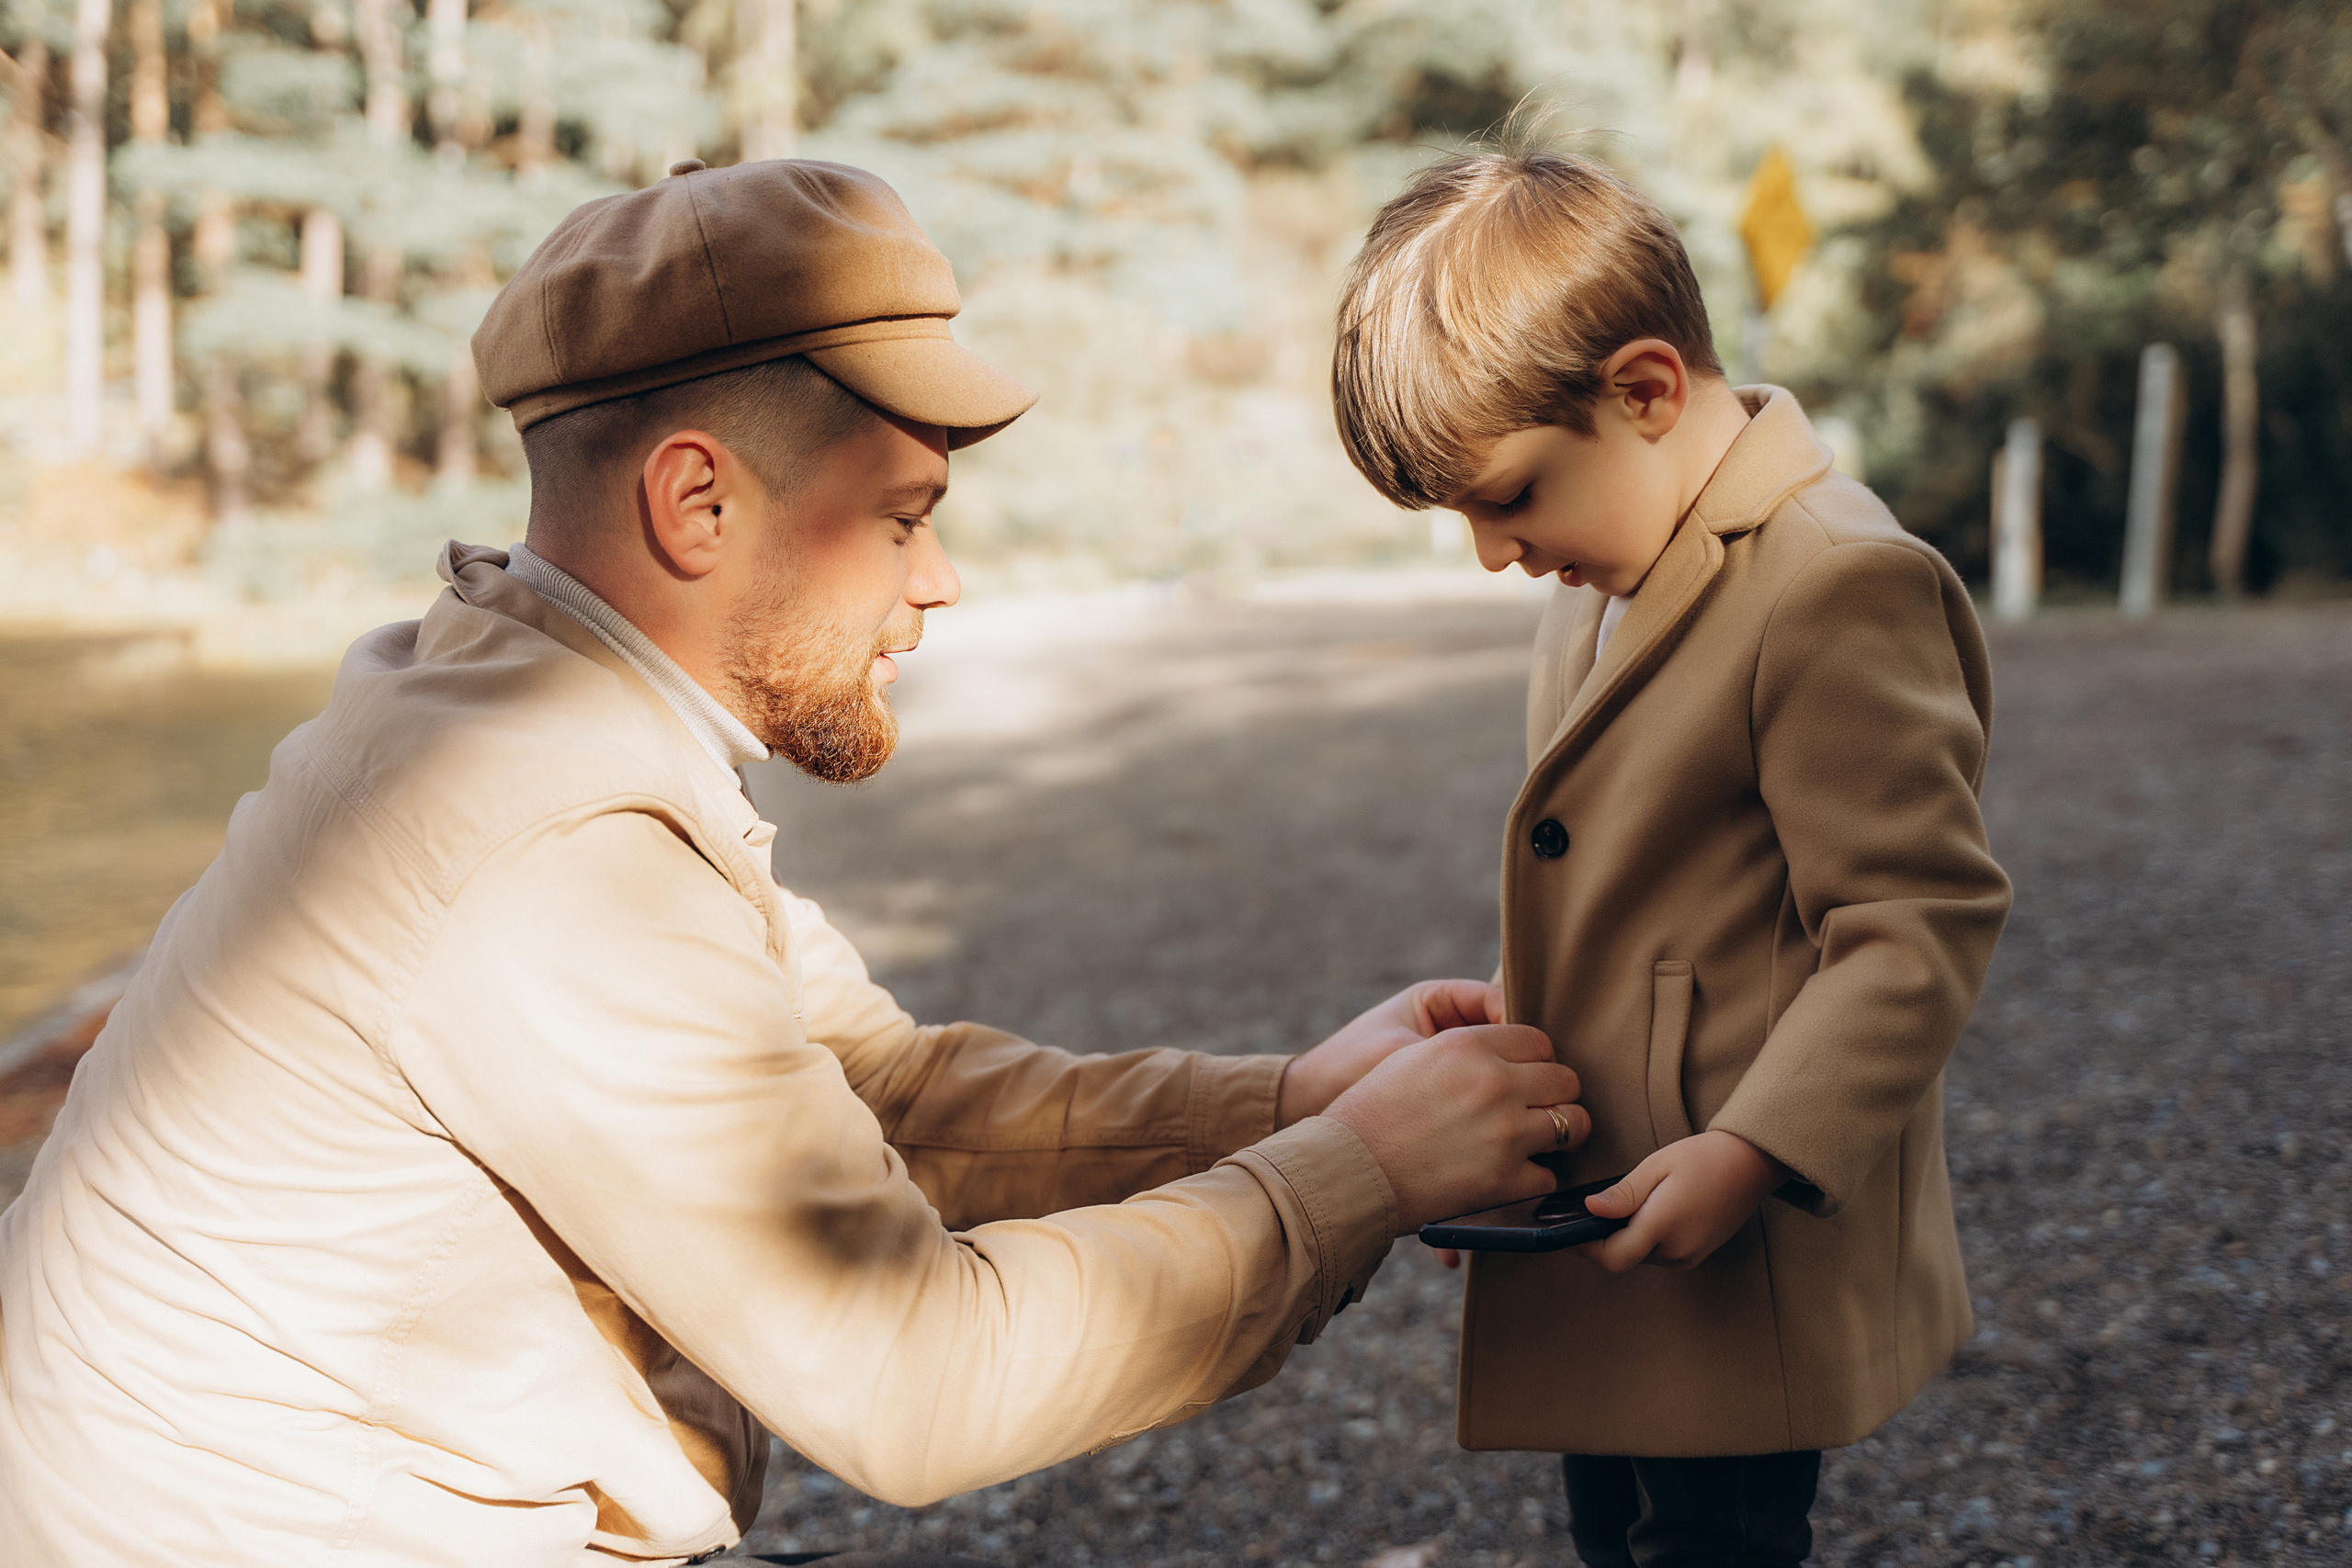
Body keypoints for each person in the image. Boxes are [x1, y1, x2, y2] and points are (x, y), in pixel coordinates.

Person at [0, 159, 1593, 1568]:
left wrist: (1289, 1105)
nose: (945, 581)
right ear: (698, 500)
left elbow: (877, 1094)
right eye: (902, 518)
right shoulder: (553, 851)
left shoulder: (507, 704)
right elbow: (916, 1381)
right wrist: (1369, 1175)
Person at [1329, 145, 2014, 1568]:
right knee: (1616, 1531)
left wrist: (1760, 1149)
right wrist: (1486, 1121)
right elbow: (1601, 887)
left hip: (1731, 1223)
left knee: (1711, 1543)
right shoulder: (1605, 581)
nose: (1492, 555)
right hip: (1600, 1206)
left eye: (1508, 497)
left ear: (1643, 392)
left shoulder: (1836, 582)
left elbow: (1912, 920)